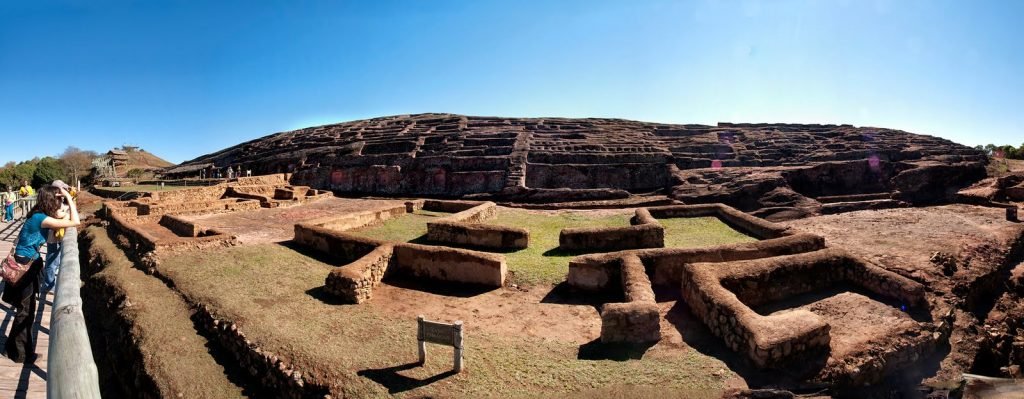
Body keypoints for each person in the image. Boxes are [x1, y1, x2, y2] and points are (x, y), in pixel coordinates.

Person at [3, 185, 79, 363]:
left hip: (30, 262)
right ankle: (18, 353)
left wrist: (68, 199)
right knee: (26, 310)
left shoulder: (40, 213)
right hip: (25, 265)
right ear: (52, 200)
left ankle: (13, 348)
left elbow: (63, 215)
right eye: (58, 199)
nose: (61, 202)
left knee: (27, 309)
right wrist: (68, 195)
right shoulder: (41, 218)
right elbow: (75, 221)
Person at [40, 180, 72, 295]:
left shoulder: (59, 201)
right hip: (52, 237)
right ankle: (48, 285)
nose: (65, 191)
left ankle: (49, 282)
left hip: (57, 234)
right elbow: (59, 214)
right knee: (52, 260)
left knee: (55, 259)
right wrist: (67, 213)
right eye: (63, 189)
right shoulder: (52, 202)